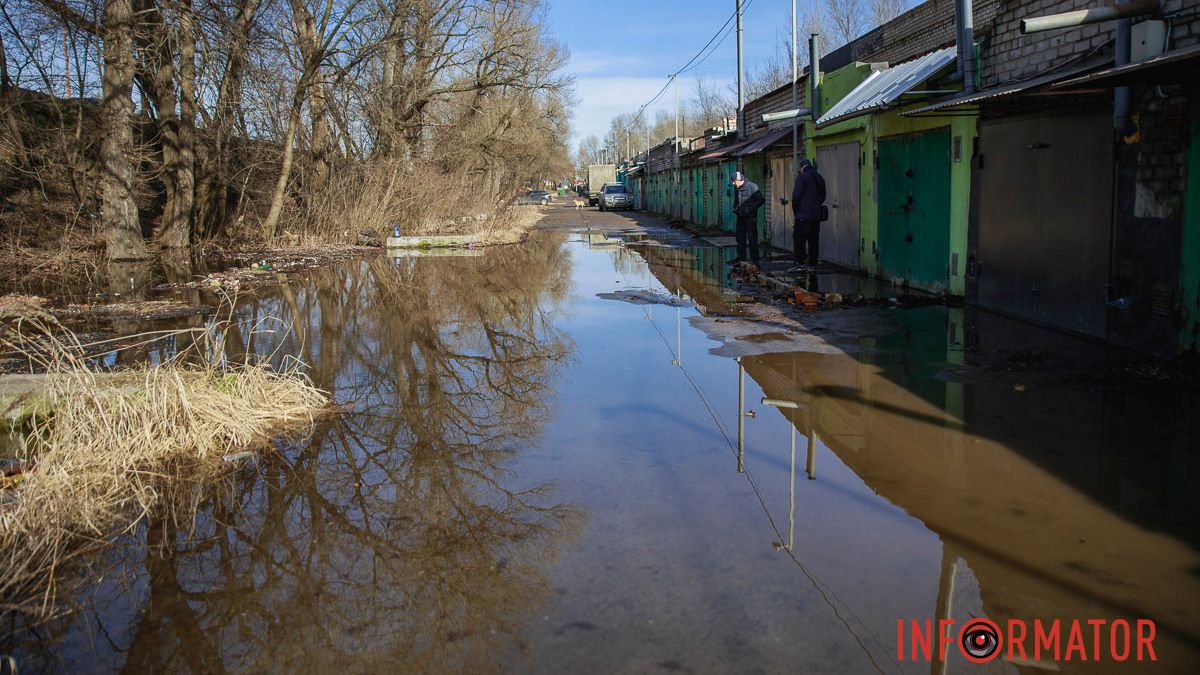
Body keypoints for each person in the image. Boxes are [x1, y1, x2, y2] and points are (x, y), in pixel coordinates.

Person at [790, 158, 827, 267]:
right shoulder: (819, 177)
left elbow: (796, 196)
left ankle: (800, 263)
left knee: (799, 240)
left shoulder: (802, 177)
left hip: (803, 215)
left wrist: (796, 211)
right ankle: (813, 263)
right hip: (816, 215)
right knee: (814, 240)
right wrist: (815, 205)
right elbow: (823, 195)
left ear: (802, 167)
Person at [731, 171, 765, 267]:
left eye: (734, 181)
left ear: (739, 180)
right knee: (740, 239)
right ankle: (742, 260)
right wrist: (735, 208)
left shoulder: (752, 187)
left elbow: (761, 200)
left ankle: (755, 262)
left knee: (752, 240)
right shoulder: (736, 189)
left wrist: (750, 209)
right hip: (741, 217)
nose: (733, 183)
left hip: (750, 218)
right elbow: (736, 201)